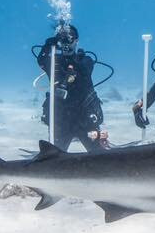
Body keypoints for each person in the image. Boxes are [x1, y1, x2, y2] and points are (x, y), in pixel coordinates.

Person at [36, 23, 107, 153]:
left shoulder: (85, 60)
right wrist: (47, 45)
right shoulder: (55, 63)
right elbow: (41, 61)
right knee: (55, 155)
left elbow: (85, 70)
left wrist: (73, 60)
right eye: (63, 40)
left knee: (98, 155)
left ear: (76, 41)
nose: (66, 44)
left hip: (85, 118)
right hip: (62, 119)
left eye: (70, 39)